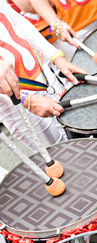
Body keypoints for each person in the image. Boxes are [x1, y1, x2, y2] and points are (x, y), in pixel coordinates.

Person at [0, 1, 86, 152]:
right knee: (64, 156)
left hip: (43, 75)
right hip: (14, 102)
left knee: (83, 135)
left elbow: (16, 21)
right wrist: (27, 100)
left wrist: (56, 57)